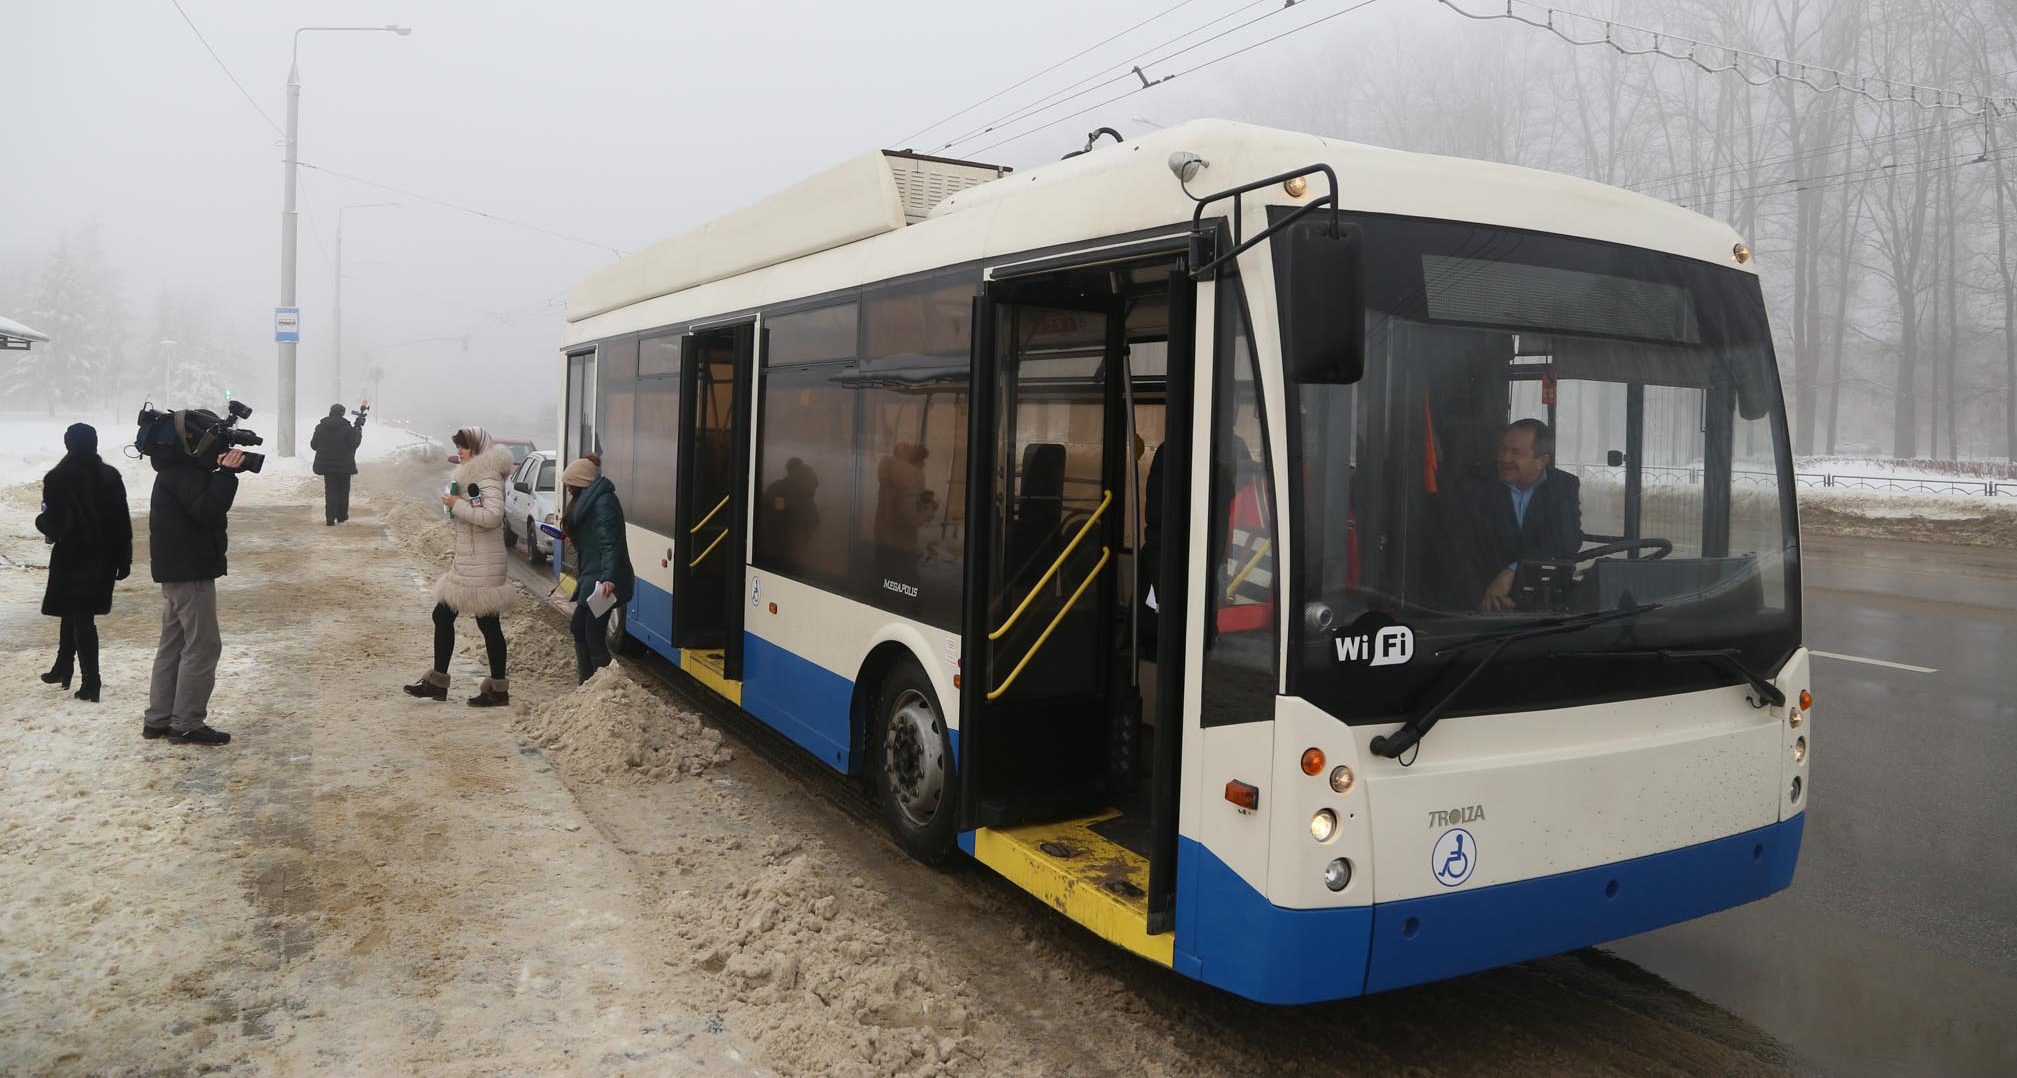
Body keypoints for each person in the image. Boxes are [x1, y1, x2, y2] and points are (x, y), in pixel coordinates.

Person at [142, 434, 248, 746]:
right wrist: (226, 476)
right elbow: (208, 511)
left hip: (177, 571)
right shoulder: (184, 474)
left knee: (173, 645)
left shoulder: (175, 471)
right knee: (202, 647)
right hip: (191, 572)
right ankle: (186, 723)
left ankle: (159, 719)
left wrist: (215, 471)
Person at [404, 426, 515, 706]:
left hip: (483, 563)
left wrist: (457, 505)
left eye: (463, 448)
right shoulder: (473, 476)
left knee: (486, 623)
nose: (460, 453)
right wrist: (455, 507)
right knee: (446, 616)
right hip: (469, 562)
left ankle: (495, 690)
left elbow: (492, 516)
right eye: (458, 449)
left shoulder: (487, 476)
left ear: (477, 448)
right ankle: (441, 682)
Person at [34, 423, 132, 703]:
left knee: (82, 618)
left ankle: (92, 681)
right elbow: (122, 521)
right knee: (75, 612)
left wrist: (41, 521)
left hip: (73, 555)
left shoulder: (58, 478)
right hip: (104, 555)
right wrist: (124, 558)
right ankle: (63, 666)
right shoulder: (109, 476)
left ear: (68, 445)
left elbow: (57, 525)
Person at [1455, 418, 1582, 611]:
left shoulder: (1564, 486)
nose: (1504, 458)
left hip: (1543, 605)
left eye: (1515, 452)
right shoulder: (1473, 484)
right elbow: (1461, 548)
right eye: (1503, 449)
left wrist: (1513, 571)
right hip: (1478, 605)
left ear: (1542, 461)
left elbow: (1566, 540)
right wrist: (1483, 599)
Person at [559, 454, 635, 683]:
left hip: (603, 579)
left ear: (581, 483)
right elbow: (596, 538)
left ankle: (603, 686)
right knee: (579, 627)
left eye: (571, 485)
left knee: (592, 633)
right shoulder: (591, 501)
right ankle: (588, 684)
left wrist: (609, 579)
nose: (569, 490)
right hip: (593, 575)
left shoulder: (603, 503)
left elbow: (611, 544)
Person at [310, 402, 366, 526]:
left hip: (327, 466)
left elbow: (313, 445)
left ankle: (330, 518)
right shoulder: (347, 428)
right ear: (342, 413)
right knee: (343, 491)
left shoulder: (320, 427)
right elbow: (354, 443)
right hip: (344, 466)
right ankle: (341, 516)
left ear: (330, 412)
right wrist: (358, 430)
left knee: (330, 491)